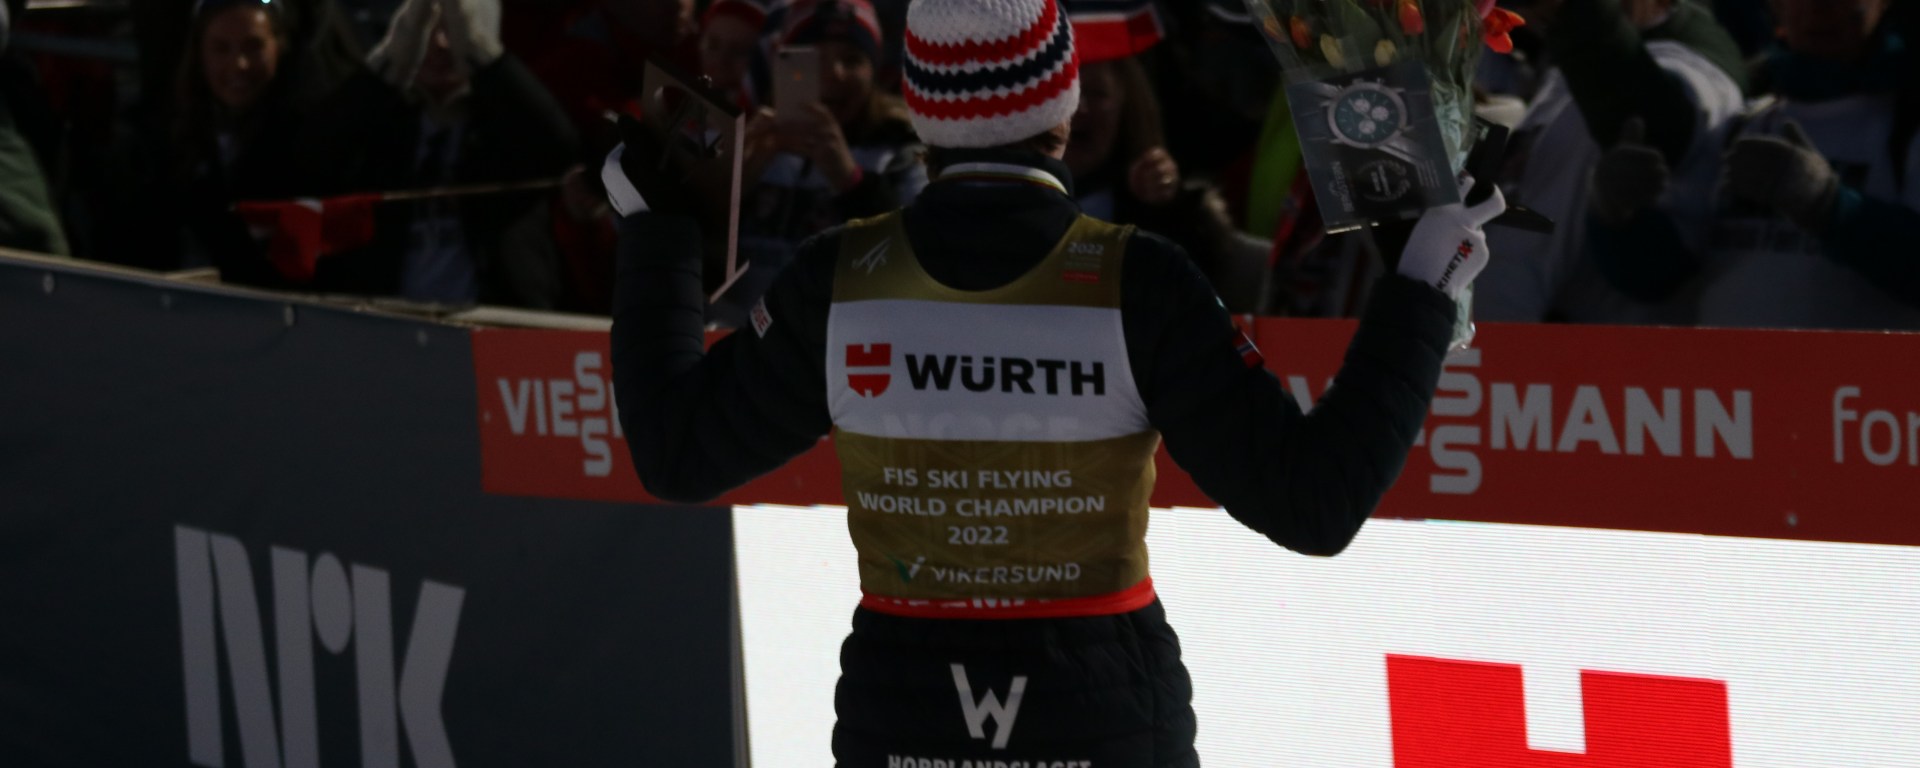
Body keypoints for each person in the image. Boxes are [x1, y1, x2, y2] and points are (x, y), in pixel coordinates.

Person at [603, 0, 1507, 764]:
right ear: (1064, 111)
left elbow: (677, 454)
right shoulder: (1140, 281)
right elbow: (1315, 501)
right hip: (1102, 722)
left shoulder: (836, 280)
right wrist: (1424, 287)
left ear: (921, 114)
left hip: (903, 723)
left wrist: (657, 233)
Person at [1586, 0, 1920, 329]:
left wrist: (1832, 207)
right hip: (1729, 366)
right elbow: (1653, 278)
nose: (1818, 8)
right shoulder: (1741, 122)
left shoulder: (1904, 125)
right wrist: (1615, 215)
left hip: (1857, 368)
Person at [1471, 0, 1747, 325]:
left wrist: (1573, 13)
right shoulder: (1565, 61)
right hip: (1489, 341)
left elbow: (1654, 125)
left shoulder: (1694, 64)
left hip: (1586, 349)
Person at [290, 0, 579, 306]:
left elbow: (561, 147)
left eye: (453, 31)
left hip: (498, 317)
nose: (440, 44)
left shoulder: (509, 126)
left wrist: (478, 52)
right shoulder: (383, 123)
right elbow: (312, 157)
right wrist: (390, 62)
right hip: (390, 318)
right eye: (427, 31)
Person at [718, 0, 926, 328]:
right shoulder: (744, 138)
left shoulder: (900, 153)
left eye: (852, 60)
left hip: (840, 342)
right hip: (735, 335)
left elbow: (915, 260)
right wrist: (731, 185)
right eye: (816, 59)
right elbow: (687, 253)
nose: (836, 74)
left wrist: (850, 180)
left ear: (874, 70)